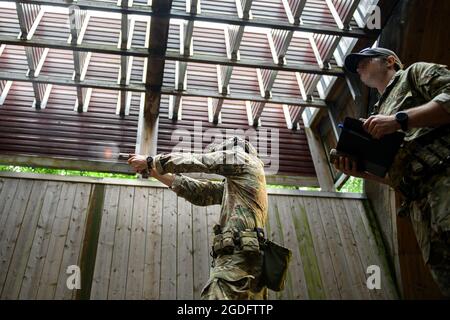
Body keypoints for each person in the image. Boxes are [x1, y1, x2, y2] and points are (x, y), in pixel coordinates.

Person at [334, 47, 450, 296]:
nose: (358, 68)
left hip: (444, 180)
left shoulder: (413, 74)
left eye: (363, 61)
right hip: (420, 207)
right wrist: (359, 171)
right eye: (356, 66)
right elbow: (392, 176)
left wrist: (399, 120)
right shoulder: (375, 116)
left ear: (389, 61)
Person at [127, 136, 269, 299]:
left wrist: (152, 161)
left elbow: (202, 161)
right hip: (245, 267)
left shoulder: (244, 159)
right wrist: (155, 172)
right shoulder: (239, 183)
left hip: (236, 266)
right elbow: (201, 192)